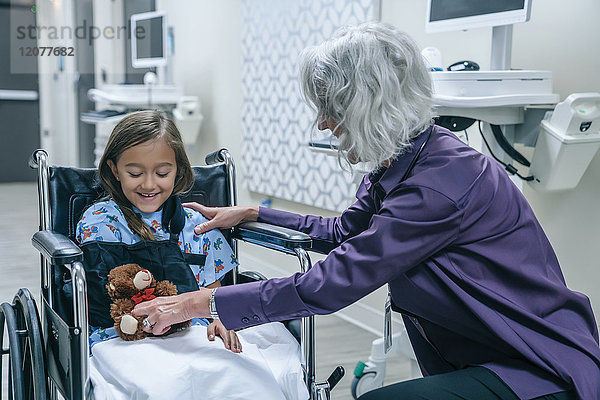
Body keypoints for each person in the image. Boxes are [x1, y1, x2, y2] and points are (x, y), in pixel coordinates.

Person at [133, 22, 600, 399]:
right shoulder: (403, 158)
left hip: (534, 363)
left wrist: (197, 303)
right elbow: (345, 231)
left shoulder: (439, 184)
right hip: (477, 347)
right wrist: (254, 213)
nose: (323, 122)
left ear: (372, 106)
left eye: (332, 108)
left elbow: (335, 281)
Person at [76, 110, 241, 352]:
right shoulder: (100, 223)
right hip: (124, 339)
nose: (149, 184)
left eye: (162, 173)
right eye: (135, 174)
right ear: (114, 170)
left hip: (191, 335)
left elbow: (212, 292)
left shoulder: (196, 226)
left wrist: (220, 319)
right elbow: (101, 300)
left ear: (178, 170)